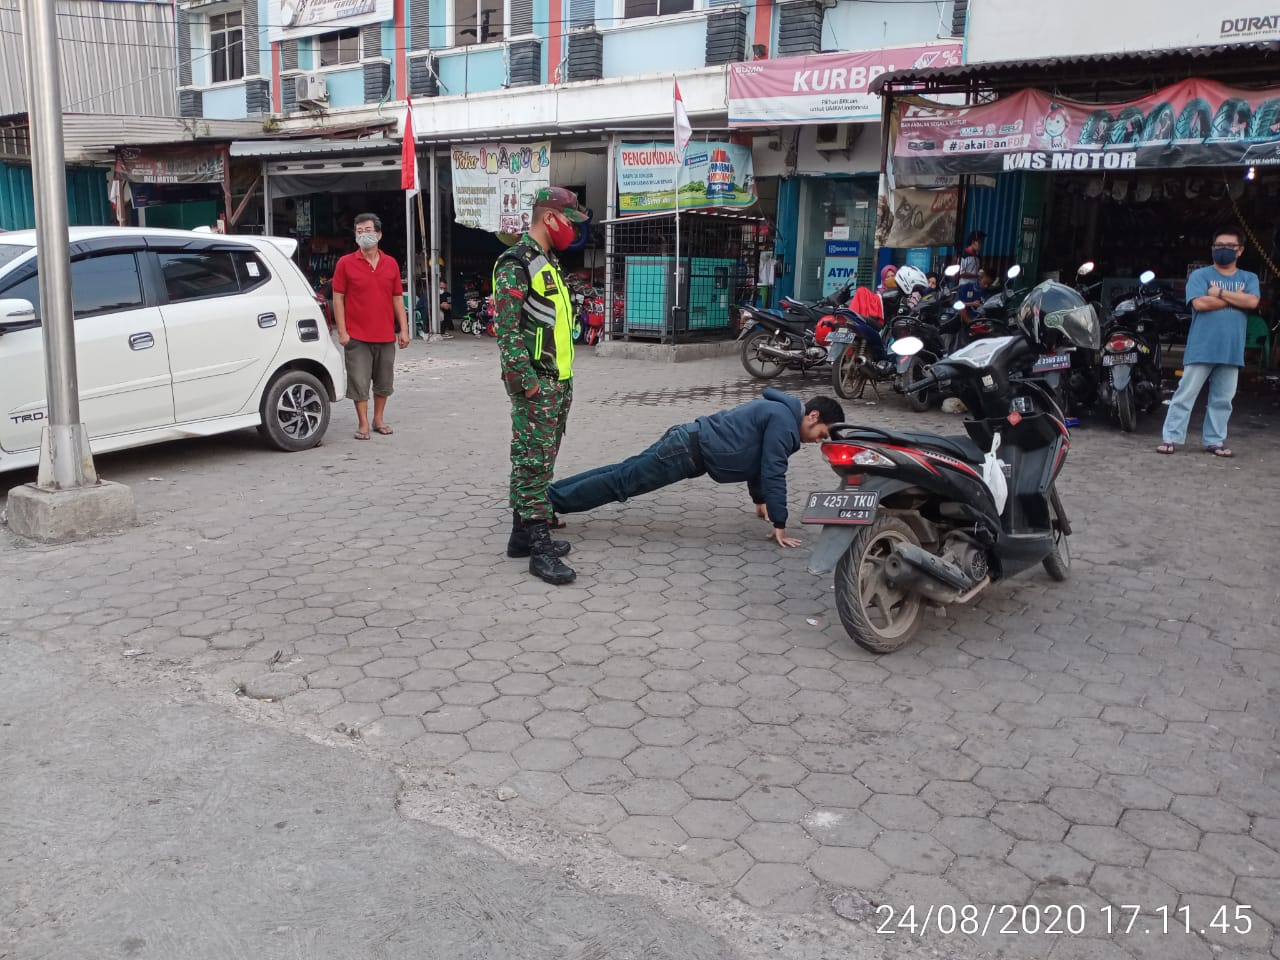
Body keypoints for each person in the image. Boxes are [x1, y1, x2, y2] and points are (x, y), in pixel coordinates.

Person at [549, 390, 846, 549]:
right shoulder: (784, 422)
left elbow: (758, 464)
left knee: (622, 474)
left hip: (686, 442)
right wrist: (779, 523)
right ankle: (547, 502)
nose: (815, 441)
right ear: (813, 415)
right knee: (621, 482)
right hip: (685, 452)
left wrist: (760, 502)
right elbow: (772, 469)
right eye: (821, 434)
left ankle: (547, 498)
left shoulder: (783, 414)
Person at [493, 186, 589, 585]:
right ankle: (539, 548)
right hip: (539, 384)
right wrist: (527, 384)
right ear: (549, 218)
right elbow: (507, 332)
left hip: (558, 382)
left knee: (540, 461)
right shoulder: (515, 263)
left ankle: (520, 537)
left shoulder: (546, 263)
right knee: (533, 464)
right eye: (569, 220)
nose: (572, 229)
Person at [1156, 226, 1260, 458]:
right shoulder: (1200, 276)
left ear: (1240, 250)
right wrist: (1236, 298)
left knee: (1223, 399)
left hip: (1232, 350)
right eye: (1219, 246)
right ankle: (1170, 438)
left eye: (1230, 246)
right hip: (1201, 347)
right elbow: (1200, 304)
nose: (1224, 250)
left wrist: (1219, 294)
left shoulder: (1249, 277)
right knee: (1185, 395)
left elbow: (1252, 303)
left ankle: (1214, 441)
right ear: (1212, 248)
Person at [332, 213, 409, 440]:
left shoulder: (391, 263)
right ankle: (363, 423)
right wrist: (343, 331)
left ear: (379, 234)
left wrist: (404, 329)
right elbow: (338, 298)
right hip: (356, 336)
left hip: (385, 335)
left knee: (384, 381)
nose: (364, 235)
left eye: (368, 230)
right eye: (359, 231)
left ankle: (378, 419)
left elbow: (397, 298)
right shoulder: (345, 263)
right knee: (359, 380)